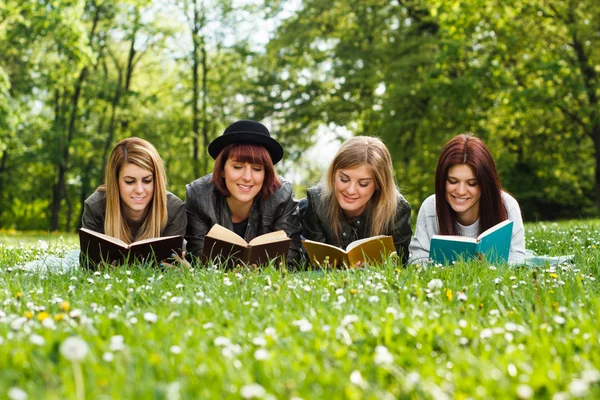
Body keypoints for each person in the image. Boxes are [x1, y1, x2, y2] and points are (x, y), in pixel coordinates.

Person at [185, 120, 302, 266]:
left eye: (257, 169)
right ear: (222, 169)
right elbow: (199, 260)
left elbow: (289, 261)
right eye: (238, 167)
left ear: (266, 173)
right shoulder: (198, 195)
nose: (247, 177)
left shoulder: (282, 195)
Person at [408, 133, 526, 265]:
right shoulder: (430, 207)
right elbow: (417, 260)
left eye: (472, 183)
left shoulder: (507, 206)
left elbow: (518, 258)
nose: (461, 191)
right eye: (453, 181)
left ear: (485, 184)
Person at [299, 136, 412, 265]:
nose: (351, 190)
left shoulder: (398, 210)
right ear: (333, 174)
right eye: (344, 179)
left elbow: (400, 265)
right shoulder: (316, 203)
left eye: (363, 184)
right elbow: (313, 264)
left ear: (379, 184)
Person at [82, 137, 187, 252]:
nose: (139, 190)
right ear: (115, 182)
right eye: (130, 182)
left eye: (147, 180)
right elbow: (89, 262)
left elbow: (172, 261)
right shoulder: (95, 206)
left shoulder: (174, 209)